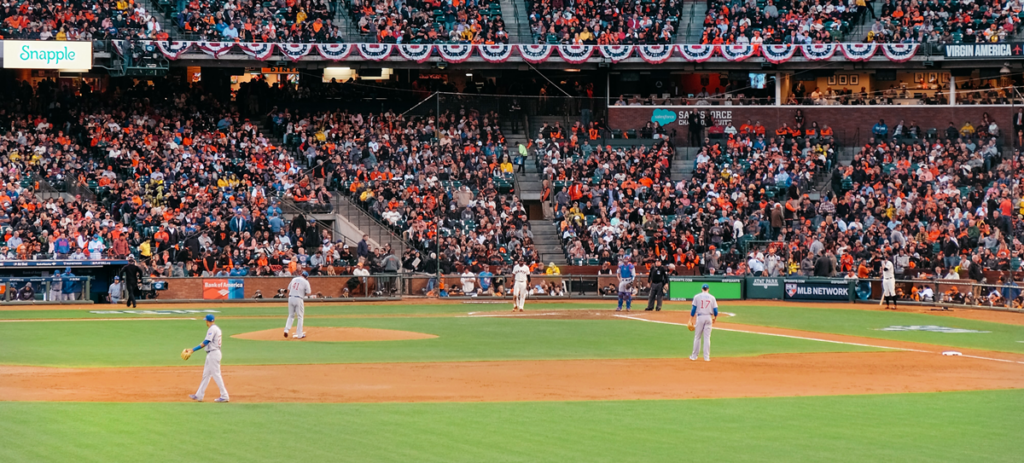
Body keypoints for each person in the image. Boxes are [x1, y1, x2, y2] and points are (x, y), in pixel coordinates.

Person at [187, 314, 229, 403]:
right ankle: (199, 395)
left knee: (216, 375)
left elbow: (206, 342)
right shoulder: (216, 328)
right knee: (206, 375)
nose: (205, 322)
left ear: (208, 321)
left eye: (206, 320)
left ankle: (224, 395)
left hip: (214, 353)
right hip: (212, 353)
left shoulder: (212, 329)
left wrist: (193, 350)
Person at [689, 284, 719, 362]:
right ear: (708, 289)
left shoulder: (697, 296)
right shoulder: (712, 297)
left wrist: (690, 319)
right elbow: (716, 311)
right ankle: (706, 357)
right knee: (707, 338)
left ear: (702, 289)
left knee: (697, 337)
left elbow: (693, 309)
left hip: (700, 317)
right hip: (708, 317)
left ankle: (694, 356)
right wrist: (715, 318)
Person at [284, 271, 311, 339]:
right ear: (306, 277)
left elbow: (289, 288)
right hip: (298, 299)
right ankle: (299, 334)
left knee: (291, 315)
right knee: (300, 316)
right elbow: (308, 292)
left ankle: (286, 330)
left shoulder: (294, 279)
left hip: (290, 298)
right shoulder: (305, 281)